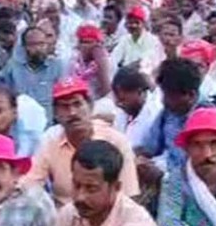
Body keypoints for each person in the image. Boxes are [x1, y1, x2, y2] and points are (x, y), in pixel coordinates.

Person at [21, 79, 139, 207]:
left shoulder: (116, 141)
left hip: (109, 218)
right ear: (56, 114)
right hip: (65, 219)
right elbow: (30, 184)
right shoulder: (50, 141)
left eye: (77, 104)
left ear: (90, 106)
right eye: (65, 107)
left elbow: (129, 196)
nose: (72, 113)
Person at [0, 26, 63, 122]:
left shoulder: (56, 67)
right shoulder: (12, 67)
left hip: (49, 126)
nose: (39, 48)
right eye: (33, 44)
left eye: (42, 44)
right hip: (19, 124)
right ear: (24, 47)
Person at [112, 67, 162, 148]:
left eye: (122, 99)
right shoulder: (124, 111)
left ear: (139, 92)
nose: (118, 104)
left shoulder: (155, 115)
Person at [68, 24, 111, 99]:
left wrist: (101, 63)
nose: (82, 46)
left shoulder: (106, 60)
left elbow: (107, 92)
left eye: (87, 42)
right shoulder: (73, 59)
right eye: (81, 42)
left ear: (98, 44)